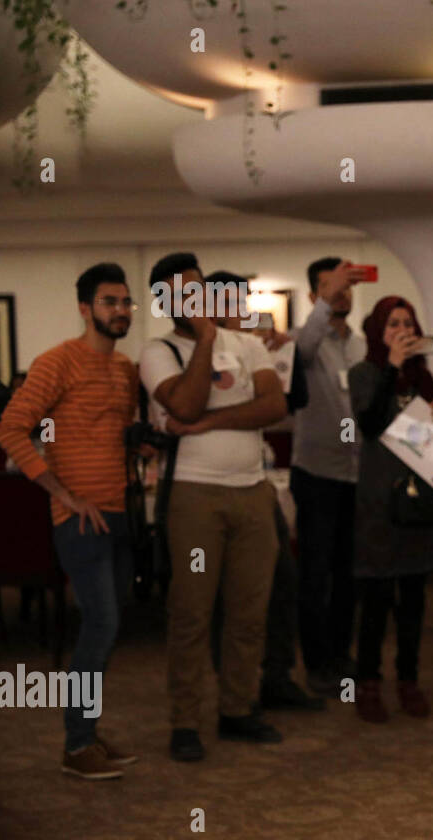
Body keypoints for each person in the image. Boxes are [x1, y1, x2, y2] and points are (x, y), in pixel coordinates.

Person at [139, 252, 286, 762]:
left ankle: (238, 709)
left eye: (200, 288)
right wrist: (203, 341)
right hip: (195, 497)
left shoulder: (247, 344)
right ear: (165, 302)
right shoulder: (156, 352)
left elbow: (274, 406)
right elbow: (182, 405)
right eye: (183, 292)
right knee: (191, 613)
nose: (197, 299)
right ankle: (185, 721)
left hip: (253, 493)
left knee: (249, 612)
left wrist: (208, 425)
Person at [0, 263, 139, 780]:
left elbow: (114, 435)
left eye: (125, 302)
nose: (120, 310)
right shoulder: (56, 362)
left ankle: (87, 731)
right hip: (79, 518)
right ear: (85, 308)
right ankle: (76, 745)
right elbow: (11, 428)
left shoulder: (125, 369)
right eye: (109, 301)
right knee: (100, 626)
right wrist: (62, 492)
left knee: (108, 627)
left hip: (121, 514)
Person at [201, 271, 322, 711]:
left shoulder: (258, 347)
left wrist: (282, 353)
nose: (242, 311)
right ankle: (234, 689)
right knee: (223, 591)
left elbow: (293, 403)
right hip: (211, 484)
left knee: (282, 579)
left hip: (258, 478)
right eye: (232, 302)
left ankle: (277, 676)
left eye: (243, 301)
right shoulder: (201, 353)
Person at [349, 295, 433, 722]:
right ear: (376, 331)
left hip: (417, 502)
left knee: (413, 599)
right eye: (392, 324)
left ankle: (408, 680)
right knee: (375, 596)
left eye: (408, 324)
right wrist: (391, 366)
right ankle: (367, 683)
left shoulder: (424, 380)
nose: (401, 332)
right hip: (378, 501)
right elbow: (369, 424)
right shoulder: (365, 373)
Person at [292, 257, 370, 695]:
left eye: (345, 285)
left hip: (357, 475)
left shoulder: (362, 347)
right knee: (315, 573)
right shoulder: (303, 343)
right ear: (313, 296)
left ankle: (343, 655)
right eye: (329, 286)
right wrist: (324, 302)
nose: (341, 291)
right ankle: (317, 663)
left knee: (348, 573)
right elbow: (302, 348)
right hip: (317, 473)